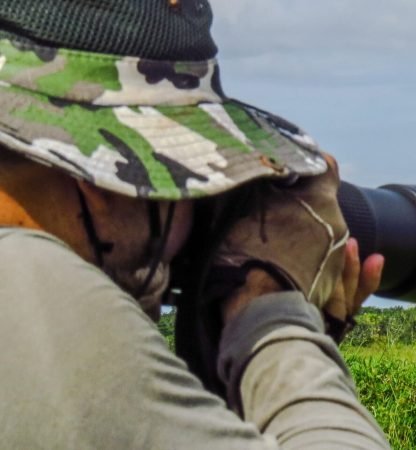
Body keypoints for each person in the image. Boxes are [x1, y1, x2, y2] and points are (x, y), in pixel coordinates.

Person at [0, 0, 391, 447]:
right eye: (190, 183)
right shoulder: (27, 283)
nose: (201, 208)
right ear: (112, 181)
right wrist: (273, 318)